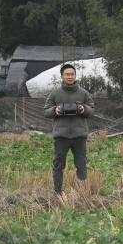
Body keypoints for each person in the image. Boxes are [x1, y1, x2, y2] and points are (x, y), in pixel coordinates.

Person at [43, 63, 95, 195]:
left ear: (75, 76)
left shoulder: (83, 93)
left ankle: (81, 193)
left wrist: (84, 109)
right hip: (62, 136)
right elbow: (46, 111)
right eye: (67, 74)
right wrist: (56, 110)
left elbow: (91, 110)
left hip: (79, 135)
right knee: (58, 165)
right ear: (62, 76)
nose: (70, 76)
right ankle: (58, 193)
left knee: (81, 164)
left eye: (72, 74)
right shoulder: (55, 93)